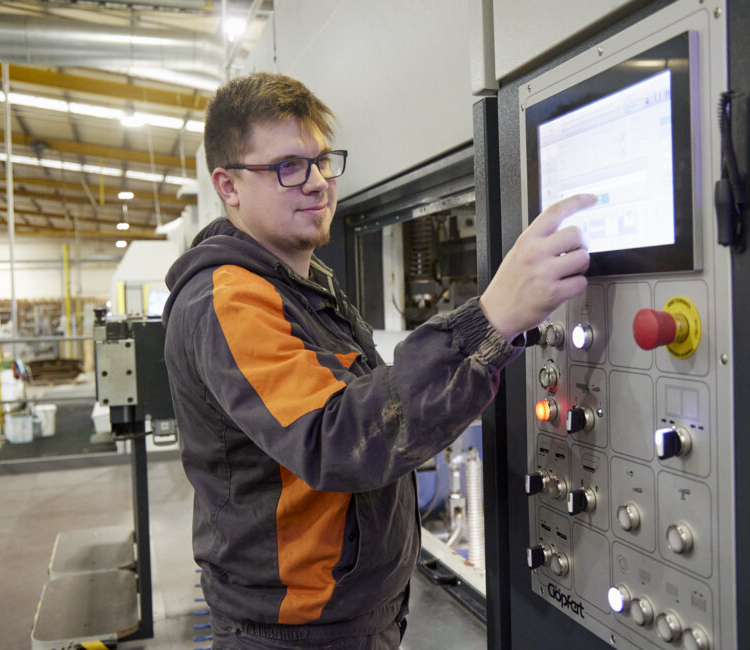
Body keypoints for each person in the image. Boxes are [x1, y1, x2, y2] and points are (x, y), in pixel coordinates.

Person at [162, 71, 594, 649]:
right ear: (228, 185)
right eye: (288, 166)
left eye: (322, 161)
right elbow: (337, 439)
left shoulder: (305, 284)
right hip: (293, 634)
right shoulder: (229, 299)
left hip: (355, 617)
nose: (317, 183)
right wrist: (489, 321)